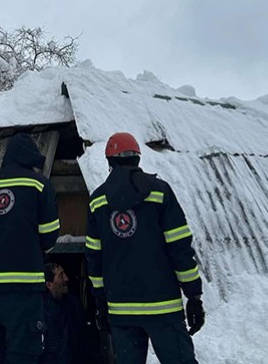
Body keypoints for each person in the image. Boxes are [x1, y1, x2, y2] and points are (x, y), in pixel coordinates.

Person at [85, 132, 205, 364]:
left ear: (110, 161)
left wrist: (101, 302)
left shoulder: (98, 202)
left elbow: (94, 258)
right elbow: (179, 246)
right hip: (164, 309)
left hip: (121, 311)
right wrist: (194, 296)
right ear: (138, 159)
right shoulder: (160, 193)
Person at [0, 133, 60, 364]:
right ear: (31, 158)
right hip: (23, 288)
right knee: (23, 354)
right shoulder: (38, 184)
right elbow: (50, 235)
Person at [41, 262, 89, 364]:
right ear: (49, 284)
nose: (66, 279)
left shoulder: (73, 303)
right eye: (61, 276)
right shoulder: (44, 310)